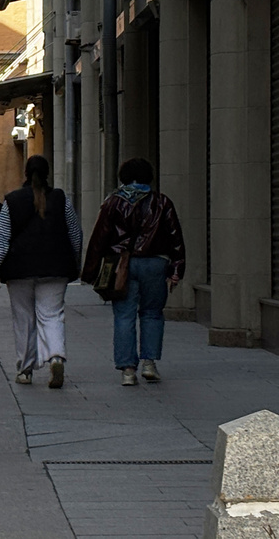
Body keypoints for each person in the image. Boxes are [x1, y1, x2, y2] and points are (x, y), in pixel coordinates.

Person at [81, 158, 186, 386]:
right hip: (155, 265)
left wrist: (90, 272)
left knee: (124, 315)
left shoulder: (114, 203)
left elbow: (99, 239)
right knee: (152, 313)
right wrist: (177, 268)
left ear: (124, 177)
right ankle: (149, 363)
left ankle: (128, 370)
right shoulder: (162, 202)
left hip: (121, 265)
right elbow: (175, 238)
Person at [0, 155, 82, 389]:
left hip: (19, 269)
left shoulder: (12, 201)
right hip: (55, 267)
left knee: (24, 319)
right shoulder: (60, 198)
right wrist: (74, 261)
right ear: (48, 173)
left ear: (26, 173)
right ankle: (56, 357)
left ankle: (25, 370)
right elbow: (75, 233)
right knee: (52, 315)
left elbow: (2, 238)